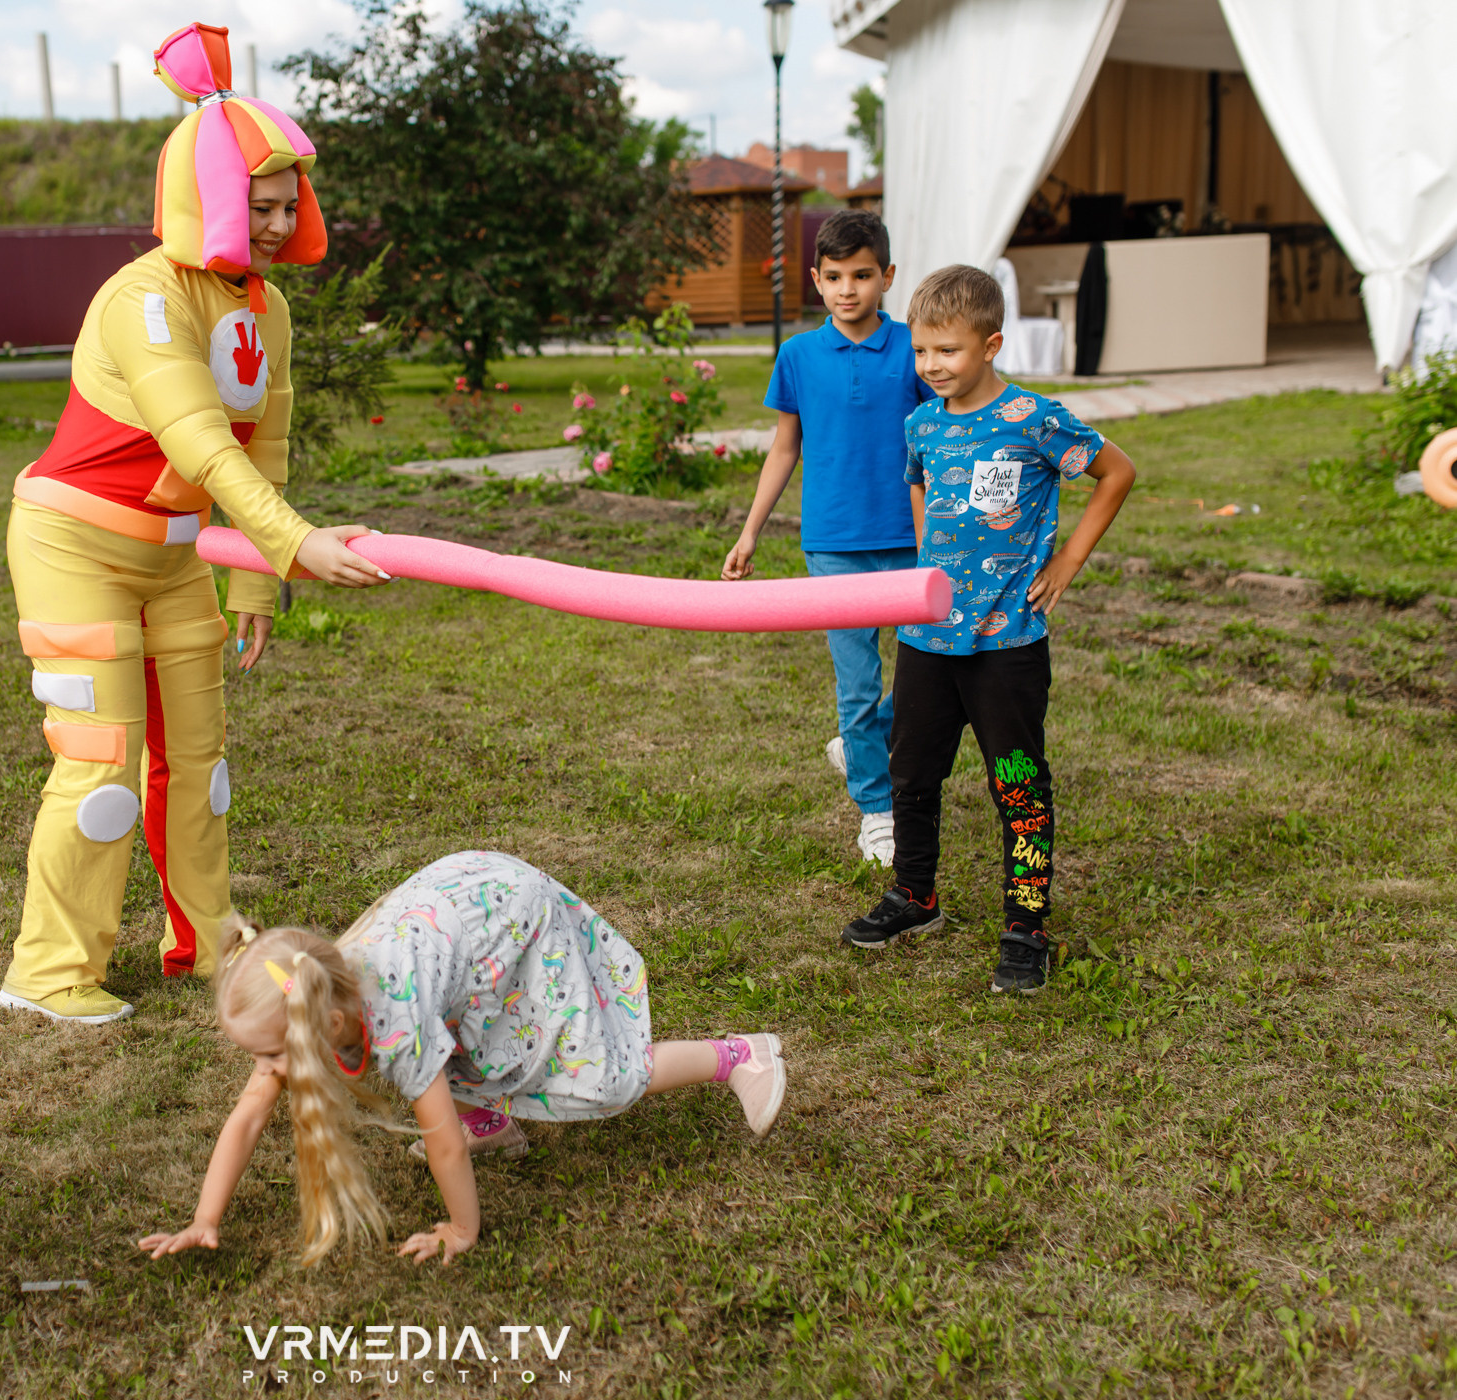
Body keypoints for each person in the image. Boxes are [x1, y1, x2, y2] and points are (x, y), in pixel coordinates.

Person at [0, 22, 389, 1027]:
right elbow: (203, 441)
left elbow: (265, 447)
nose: (272, 223)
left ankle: (203, 937)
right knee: (101, 772)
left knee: (202, 769)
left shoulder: (269, 310)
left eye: (285, 204)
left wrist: (259, 578)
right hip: (73, 545)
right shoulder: (145, 301)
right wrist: (296, 542)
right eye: (255, 204)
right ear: (207, 197)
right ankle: (47, 969)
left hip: (171, 559)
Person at [135, 851, 789, 1266]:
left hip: (511, 920)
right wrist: (203, 1218)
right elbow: (250, 1115)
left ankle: (738, 1057)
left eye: (272, 1052)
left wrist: (462, 1229)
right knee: (466, 1038)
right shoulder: (318, 990)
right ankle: (494, 1120)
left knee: (600, 1081)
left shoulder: (393, 1022)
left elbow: (437, 1139)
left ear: (328, 1023)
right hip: (459, 907)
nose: (264, 1069)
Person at [840, 264, 1135, 994]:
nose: (933, 366)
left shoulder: (1033, 419)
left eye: (950, 351)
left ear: (992, 344)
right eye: (922, 352)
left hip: (1006, 645)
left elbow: (1117, 472)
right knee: (911, 774)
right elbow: (917, 479)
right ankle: (915, 897)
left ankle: (1025, 925)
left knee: (1017, 784)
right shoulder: (923, 423)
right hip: (926, 640)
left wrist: (1069, 558)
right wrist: (923, 571)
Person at [722, 211, 935, 866]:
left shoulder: (912, 350)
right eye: (836, 277)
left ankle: (860, 737)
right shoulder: (797, 356)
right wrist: (751, 530)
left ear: (888, 278)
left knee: (930, 674)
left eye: (863, 276)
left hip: (909, 542)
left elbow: (937, 440)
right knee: (856, 681)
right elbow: (786, 447)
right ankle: (877, 808)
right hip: (834, 543)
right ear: (816, 280)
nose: (849, 290)